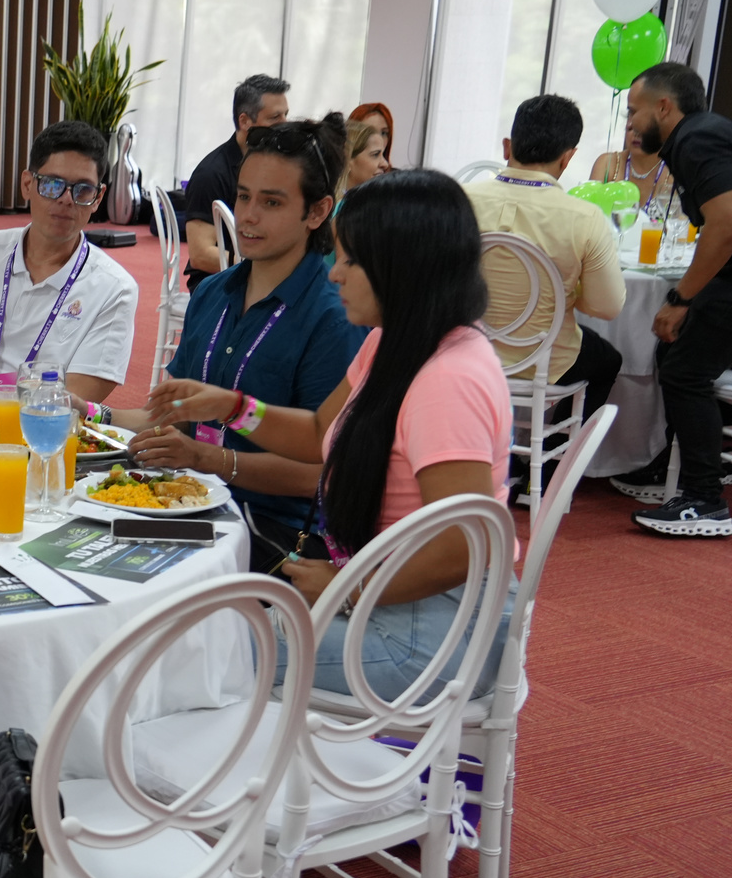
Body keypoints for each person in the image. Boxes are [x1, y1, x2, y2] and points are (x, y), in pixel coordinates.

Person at [151, 170, 514, 699]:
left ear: (401, 265)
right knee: (195, 632)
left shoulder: (447, 379)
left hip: (434, 632)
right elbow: (323, 431)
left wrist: (349, 586)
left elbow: (465, 544)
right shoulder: (396, 341)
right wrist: (232, 407)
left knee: (185, 650)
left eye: (350, 261)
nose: (335, 275)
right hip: (395, 597)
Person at [112, 115, 363, 570]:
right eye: (243, 196)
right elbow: (171, 415)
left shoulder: (334, 317)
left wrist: (210, 459)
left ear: (317, 212)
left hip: (277, 531)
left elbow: (320, 474)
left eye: (271, 202)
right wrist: (91, 415)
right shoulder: (213, 291)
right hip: (191, 501)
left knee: (130, 575)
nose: (247, 215)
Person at [464, 94, 625, 489]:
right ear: (567, 158)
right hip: (544, 360)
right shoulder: (584, 217)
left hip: (465, 349)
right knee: (607, 359)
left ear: (508, 146)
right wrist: (567, 292)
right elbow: (607, 307)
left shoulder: (459, 200)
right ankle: (551, 474)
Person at [0, 120, 136, 406]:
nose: (66, 200)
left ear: (98, 198)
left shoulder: (115, 290)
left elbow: (67, 406)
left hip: (39, 430)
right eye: (53, 184)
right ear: (27, 184)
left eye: (83, 190)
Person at [608, 62, 732, 536]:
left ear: (664, 107)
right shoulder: (701, 135)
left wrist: (682, 298)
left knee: (685, 370)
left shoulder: (696, 139)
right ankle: (673, 465)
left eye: (634, 111)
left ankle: (704, 500)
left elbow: (728, 224)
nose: (630, 123)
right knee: (672, 351)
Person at [183, 74, 291, 289]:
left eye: (286, 115)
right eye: (275, 118)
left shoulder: (278, 165)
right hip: (218, 284)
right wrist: (263, 266)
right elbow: (200, 255)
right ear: (244, 121)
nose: (285, 125)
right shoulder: (211, 174)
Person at [589, 114, 677, 210]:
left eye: (644, 129)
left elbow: (680, 217)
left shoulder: (674, 172)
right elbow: (589, 211)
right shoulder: (607, 163)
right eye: (631, 128)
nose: (636, 135)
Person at [340, 119, 390, 198]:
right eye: (375, 155)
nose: (385, 164)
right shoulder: (333, 205)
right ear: (346, 161)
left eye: (382, 154)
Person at [349, 102, 395, 168]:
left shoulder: (397, 174)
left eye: (383, 133)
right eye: (370, 132)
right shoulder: (336, 173)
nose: (379, 139)